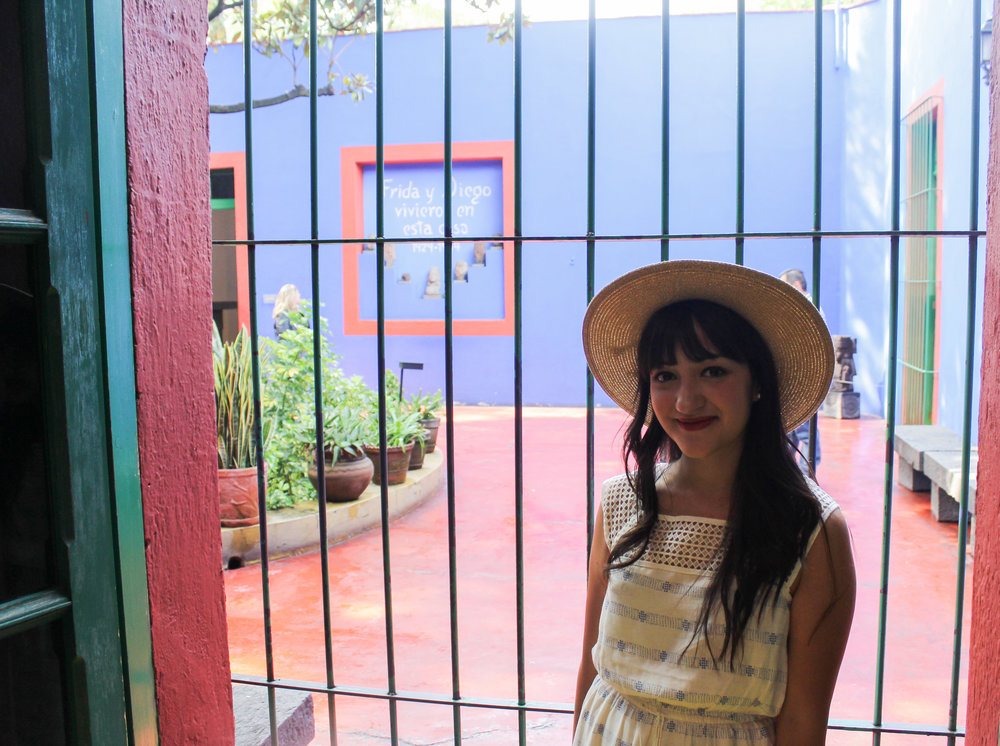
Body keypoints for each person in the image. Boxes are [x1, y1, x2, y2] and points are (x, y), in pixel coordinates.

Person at [574, 260, 855, 745]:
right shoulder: (619, 503)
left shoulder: (811, 531)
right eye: (665, 375)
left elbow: (804, 721)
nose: (686, 401)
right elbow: (591, 668)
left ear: (758, 381)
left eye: (712, 371)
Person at [779, 268, 824, 474]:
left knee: (804, 431)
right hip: (801, 380)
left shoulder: (807, 309)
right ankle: (789, 474)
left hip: (805, 381)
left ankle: (805, 475)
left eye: (785, 285)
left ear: (796, 285)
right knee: (793, 431)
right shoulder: (809, 307)